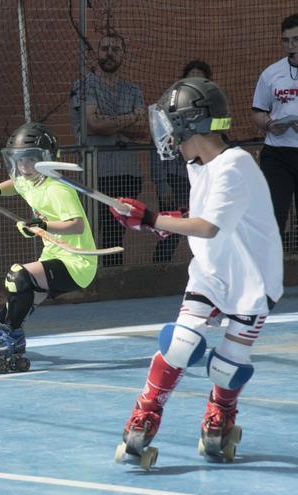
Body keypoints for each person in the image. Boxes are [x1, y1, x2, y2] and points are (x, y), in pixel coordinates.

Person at [111, 78, 282, 466]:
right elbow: (202, 216)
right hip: (211, 269)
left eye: (171, 123)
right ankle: (145, 413)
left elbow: (208, 226)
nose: (166, 133)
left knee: (227, 366)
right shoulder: (198, 164)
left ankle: (219, 419)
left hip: (252, 279)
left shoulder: (234, 165)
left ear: (191, 124)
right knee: (180, 343)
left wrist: (153, 217)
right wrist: (154, 223)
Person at [0, 122, 98, 373]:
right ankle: (1, 331)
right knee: (19, 297)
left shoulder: (58, 188)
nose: (23, 167)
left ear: (46, 159)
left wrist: (42, 224)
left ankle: (11, 339)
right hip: (54, 255)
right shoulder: (29, 179)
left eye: (29, 160)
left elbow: (77, 226)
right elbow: (14, 183)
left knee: (18, 276)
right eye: (18, 160)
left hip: (77, 262)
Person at [70, 30, 146, 266]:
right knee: (93, 226)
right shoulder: (84, 85)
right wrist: (129, 118)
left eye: (115, 49)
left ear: (123, 54)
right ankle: (90, 277)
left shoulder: (133, 90)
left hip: (127, 172)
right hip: (96, 172)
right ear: (97, 53)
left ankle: (114, 275)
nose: (109, 54)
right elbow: (93, 125)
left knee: (116, 230)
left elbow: (143, 130)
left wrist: (110, 123)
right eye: (105, 49)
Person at [150, 60, 212, 262]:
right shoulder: (170, 108)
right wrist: (162, 183)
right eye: (190, 76)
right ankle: (159, 268)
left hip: (202, 178)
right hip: (175, 179)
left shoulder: (212, 110)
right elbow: (157, 147)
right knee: (171, 230)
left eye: (200, 78)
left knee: (203, 226)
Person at [251, 13, 298, 249]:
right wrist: (270, 124)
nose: (291, 46)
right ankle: (271, 275)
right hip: (277, 153)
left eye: (296, 40)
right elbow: (257, 112)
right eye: (286, 40)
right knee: (274, 215)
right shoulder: (271, 74)